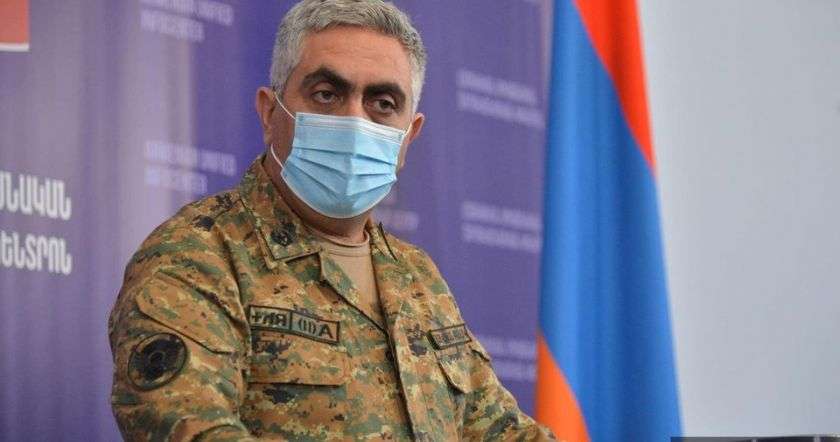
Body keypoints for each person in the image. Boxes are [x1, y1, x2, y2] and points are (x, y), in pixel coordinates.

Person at [108, 0, 555, 440]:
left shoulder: (418, 277)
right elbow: (189, 425)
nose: (354, 120)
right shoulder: (197, 256)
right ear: (270, 112)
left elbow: (497, 428)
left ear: (408, 136)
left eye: (382, 102)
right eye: (327, 94)